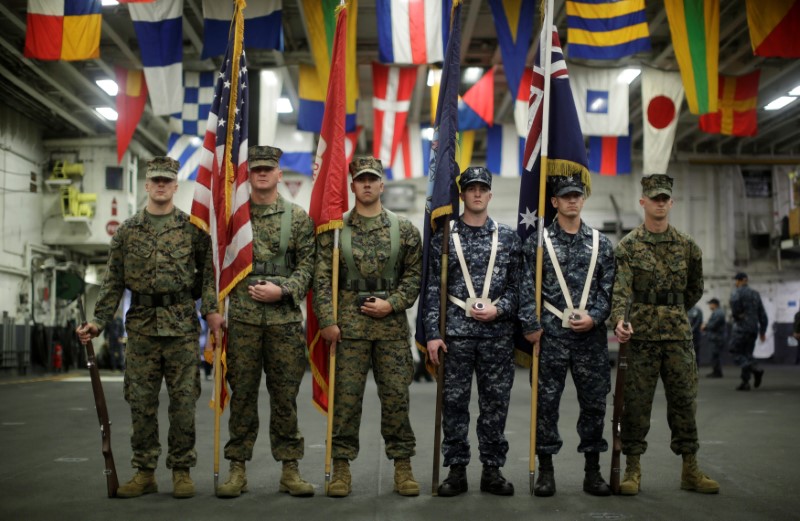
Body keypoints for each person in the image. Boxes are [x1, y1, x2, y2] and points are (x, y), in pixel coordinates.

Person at [76, 157, 208, 499]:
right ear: (147, 185)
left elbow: (207, 278)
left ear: (176, 185)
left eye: (167, 180)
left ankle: (181, 471)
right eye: (156, 181)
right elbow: (112, 282)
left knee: (183, 402)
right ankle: (145, 471)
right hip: (142, 330)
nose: (161, 185)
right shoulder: (127, 231)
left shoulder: (192, 229)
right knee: (141, 402)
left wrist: (211, 312)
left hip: (180, 328)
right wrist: (98, 322)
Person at [203, 146, 315, 498]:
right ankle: (237, 468)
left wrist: (282, 291)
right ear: (247, 175)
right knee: (243, 397)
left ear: (280, 174)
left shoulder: (297, 218)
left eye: (269, 169)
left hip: (283, 323)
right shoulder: (234, 218)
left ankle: (289, 469)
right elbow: (214, 267)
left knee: (285, 398)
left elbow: (309, 267)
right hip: (244, 323)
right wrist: (212, 310)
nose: (263, 174)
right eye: (256, 169)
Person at [424, 166, 541, 498]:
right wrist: (433, 332)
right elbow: (433, 287)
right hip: (455, 336)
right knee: (454, 404)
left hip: (496, 336)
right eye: (470, 188)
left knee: (495, 405)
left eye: (482, 189)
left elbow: (519, 288)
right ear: (461, 194)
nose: (476, 193)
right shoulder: (444, 236)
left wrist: (500, 309)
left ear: (490, 194)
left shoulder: (507, 237)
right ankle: (456, 470)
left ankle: (492, 470)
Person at [313, 156, 422, 498]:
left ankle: (402, 465)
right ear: (352, 185)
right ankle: (342, 467)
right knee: (346, 403)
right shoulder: (334, 231)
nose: (367, 184)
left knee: (396, 401)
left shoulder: (404, 229)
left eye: (373, 179)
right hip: (348, 331)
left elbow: (415, 275)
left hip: (390, 330)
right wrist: (328, 322)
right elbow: (322, 280)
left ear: (382, 185)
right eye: (361, 179)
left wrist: (394, 303)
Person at [612, 174, 719, 496]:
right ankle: (632, 469)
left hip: (678, 338)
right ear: (643, 202)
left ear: (671, 203)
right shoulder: (628, 246)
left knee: (684, 403)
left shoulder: (688, 246)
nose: (659, 203)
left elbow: (695, 289)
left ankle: (690, 469)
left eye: (664, 198)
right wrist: (619, 318)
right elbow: (620, 289)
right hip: (640, 339)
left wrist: (671, 311)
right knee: (635, 404)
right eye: (654, 198)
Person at [523, 175, 615, 497]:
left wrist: (595, 317)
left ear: (583, 200)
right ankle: (546, 471)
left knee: (594, 405)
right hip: (551, 338)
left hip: (590, 339)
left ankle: (593, 471)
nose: (572, 201)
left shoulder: (602, 243)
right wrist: (530, 326)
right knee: (545, 405)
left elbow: (608, 289)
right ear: (554, 202)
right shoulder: (538, 242)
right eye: (566, 196)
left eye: (577, 195)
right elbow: (526, 288)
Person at [729, 272, 768, 391]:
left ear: (739, 280)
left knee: (735, 351)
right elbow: (763, 315)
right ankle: (745, 382)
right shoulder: (755, 294)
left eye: (736, 281)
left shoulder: (736, 293)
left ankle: (754, 369)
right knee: (747, 354)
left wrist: (737, 317)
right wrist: (762, 331)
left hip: (741, 328)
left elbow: (735, 311)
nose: (735, 283)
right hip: (753, 329)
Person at [702, 298, 726, 378]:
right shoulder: (717, 312)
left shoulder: (718, 313)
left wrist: (705, 327)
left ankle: (717, 372)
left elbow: (713, 325)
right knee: (715, 355)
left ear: (714, 304)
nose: (709, 306)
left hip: (717, 338)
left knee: (715, 355)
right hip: (715, 337)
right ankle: (716, 371)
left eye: (710, 304)